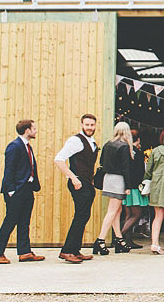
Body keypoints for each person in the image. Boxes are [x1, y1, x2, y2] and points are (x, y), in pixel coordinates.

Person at [0, 119, 44, 264]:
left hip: (27, 189)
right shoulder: (14, 146)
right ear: (27, 130)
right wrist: (10, 190)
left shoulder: (27, 146)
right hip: (16, 191)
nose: (35, 131)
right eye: (33, 128)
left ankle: (25, 252)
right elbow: (9, 169)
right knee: (10, 221)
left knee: (24, 222)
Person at [53, 113, 99, 264]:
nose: (90, 128)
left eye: (92, 125)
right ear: (82, 125)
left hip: (87, 183)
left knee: (84, 216)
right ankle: (67, 250)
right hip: (78, 183)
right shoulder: (75, 140)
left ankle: (75, 249)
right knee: (80, 216)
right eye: (87, 125)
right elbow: (59, 159)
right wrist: (73, 178)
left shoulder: (91, 141)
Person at [92, 122, 134, 255]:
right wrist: (128, 186)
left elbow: (102, 162)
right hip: (118, 180)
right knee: (112, 211)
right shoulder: (125, 146)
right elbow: (126, 168)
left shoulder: (107, 144)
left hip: (108, 178)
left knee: (116, 210)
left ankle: (119, 239)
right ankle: (100, 240)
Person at [121, 129, 148, 249]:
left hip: (124, 186)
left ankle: (128, 241)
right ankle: (120, 237)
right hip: (134, 187)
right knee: (137, 214)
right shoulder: (138, 152)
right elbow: (141, 171)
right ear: (138, 140)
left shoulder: (124, 150)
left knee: (128, 214)